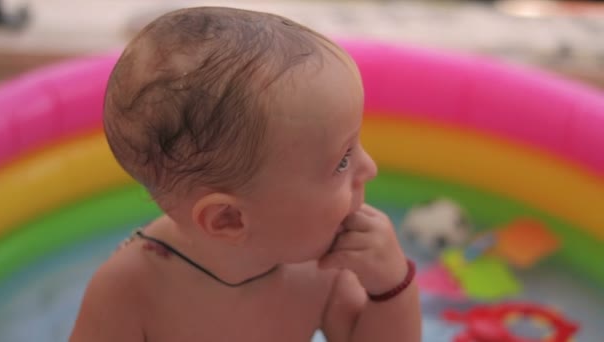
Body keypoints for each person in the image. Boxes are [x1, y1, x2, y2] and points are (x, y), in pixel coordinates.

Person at [70, 6, 421, 342]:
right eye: (342, 161)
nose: (369, 168)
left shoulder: (323, 267)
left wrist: (390, 285)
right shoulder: (130, 290)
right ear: (228, 219)